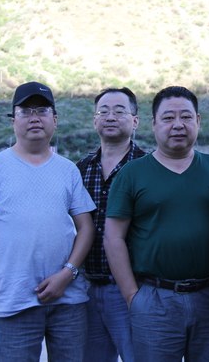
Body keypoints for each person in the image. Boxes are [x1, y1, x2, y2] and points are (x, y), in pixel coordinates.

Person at [0, 81, 95, 362]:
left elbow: (86, 227)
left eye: (42, 111)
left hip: (68, 301)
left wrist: (67, 273)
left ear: (55, 120)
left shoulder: (67, 170)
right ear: (13, 120)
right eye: (25, 111)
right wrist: (4, 266)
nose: (34, 118)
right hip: (15, 302)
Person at [104, 86, 209, 361]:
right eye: (168, 118)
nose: (178, 125)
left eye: (186, 117)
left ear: (198, 121)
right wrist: (132, 296)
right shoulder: (132, 174)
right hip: (154, 299)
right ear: (153, 124)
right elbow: (113, 237)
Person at [77, 87, 145, 362]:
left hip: (133, 288)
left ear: (135, 121)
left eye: (119, 111)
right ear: (95, 120)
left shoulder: (148, 166)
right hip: (86, 289)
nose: (110, 117)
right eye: (103, 111)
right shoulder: (81, 169)